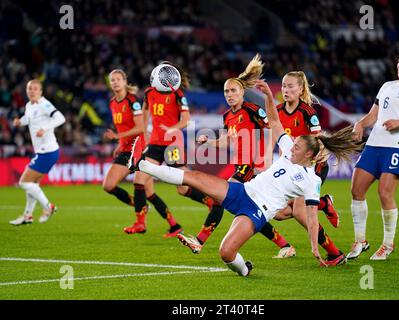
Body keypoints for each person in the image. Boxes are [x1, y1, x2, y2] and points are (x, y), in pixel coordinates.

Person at [135, 78, 363, 276]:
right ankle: (142, 164)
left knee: (226, 252)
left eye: (296, 147)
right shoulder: (286, 150)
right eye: (292, 144)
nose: (289, 147)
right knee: (192, 177)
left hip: (258, 210)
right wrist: (267, 95)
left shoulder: (311, 180)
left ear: (309, 154)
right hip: (243, 191)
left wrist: (314, 247)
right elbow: (274, 123)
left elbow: (312, 219)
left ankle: (245, 269)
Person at [177, 54, 296, 259]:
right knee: (263, 212)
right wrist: (208, 141)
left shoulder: (252, 110)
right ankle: (286, 242)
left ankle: (199, 241)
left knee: (220, 199)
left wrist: (277, 153)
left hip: (251, 166)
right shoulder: (228, 116)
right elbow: (226, 141)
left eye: (233, 90)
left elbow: (276, 127)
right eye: (226, 91)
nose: (229, 94)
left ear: (242, 92)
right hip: (240, 166)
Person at [347, 46, 399, 260]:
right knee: (356, 191)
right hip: (374, 144)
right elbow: (373, 115)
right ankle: (360, 241)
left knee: (385, 193)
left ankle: (387, 244)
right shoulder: (387, 86)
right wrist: (359, 124)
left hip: (398, 146)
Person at [275, 71, 346, 263]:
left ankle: (334, 252)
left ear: (300, 89)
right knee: (279, 214)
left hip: (312, 166)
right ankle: (324, 203)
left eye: (291, 86)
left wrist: (309, 163)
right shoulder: (278, 111)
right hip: (293, 167)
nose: (286, 90)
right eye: (283, 86)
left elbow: (316, 142)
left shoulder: (308, 112)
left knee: (299, 212)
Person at [103, 69, 183, 237]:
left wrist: (118, 136)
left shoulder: (132, 102)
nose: (115, 82)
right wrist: (119, 142)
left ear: (125, 81)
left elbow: (140, 127)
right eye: (112, 80)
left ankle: (139, 211)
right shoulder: (112, 103)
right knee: (148, 193)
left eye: (118, 79)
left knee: (109, 185)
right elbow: (123, 127)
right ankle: (174, 226)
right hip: (124, 148)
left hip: (135, 149)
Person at [141, 61, 220, 230]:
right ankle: (156, 224)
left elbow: (186, 120)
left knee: (183, 189)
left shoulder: (178, 94)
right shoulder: (149, 93)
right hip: (154, 144)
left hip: (172, 145)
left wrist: (171, 129)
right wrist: (145, 133)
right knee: (141, 181)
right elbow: (145, 113)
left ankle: (212, 200)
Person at [9, 79, 65, 225]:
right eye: (29, 89)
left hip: (47, 151)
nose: (32, 91)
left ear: (40, 92)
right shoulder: (29, 105)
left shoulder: (44, 104)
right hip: (44, 151)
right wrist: (19, 122)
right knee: (33, 184)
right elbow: (29, 118)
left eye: (35, 89)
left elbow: (60, 118)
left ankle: (48, 207)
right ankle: (27, 216)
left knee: (24, 182)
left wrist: (45, 128)